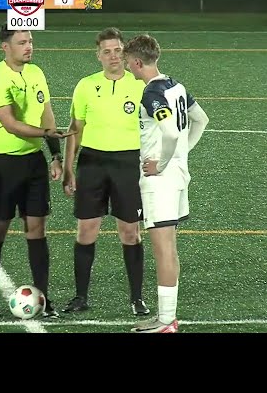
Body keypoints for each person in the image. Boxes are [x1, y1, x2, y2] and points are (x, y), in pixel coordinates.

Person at [0, 24, 74, 319]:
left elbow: (47, 114)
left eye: (30, 41)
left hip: (33, 163)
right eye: (22, 42)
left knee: (37, 229)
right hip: (2, 164)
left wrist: (54, 154)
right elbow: (11, 124)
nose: (29, 47)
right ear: (6, 47)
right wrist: (46, 133)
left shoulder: (37, 73)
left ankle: (43, 299)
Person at [123, 34, 209, 333]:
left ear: (136, 62)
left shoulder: (151, 94)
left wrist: (160, 163)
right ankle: (168, 317)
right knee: (169, 247)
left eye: (127, 62)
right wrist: (181, 156)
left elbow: (171, 133)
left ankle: (164, 321)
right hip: (178, 176)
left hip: (160, 181)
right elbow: (202, 120)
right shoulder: (177, 86)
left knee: (162, 248)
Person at [61, 27, 150, 316]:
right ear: (98, 55)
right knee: (87, 229)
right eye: (107, 51)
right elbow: (76, 130)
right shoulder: (85, 86)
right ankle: (80, 297)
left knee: (130, 232)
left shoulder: (141, 86)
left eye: (117, 50)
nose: (113, 56)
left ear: (125, 53)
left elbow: (157, 128)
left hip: (127, 164)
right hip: (92, 164)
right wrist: (68, 168)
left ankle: (137, 298)